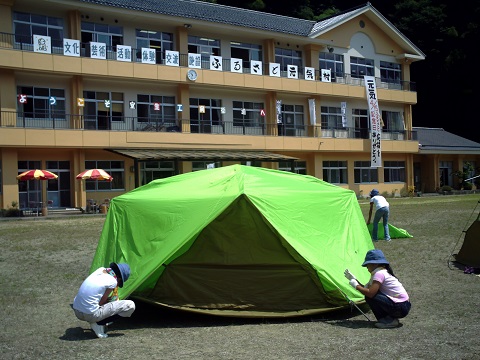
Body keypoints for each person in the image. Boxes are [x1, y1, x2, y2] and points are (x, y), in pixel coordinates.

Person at [344, 249, 411, 329]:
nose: (367, 268)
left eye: (367, 265)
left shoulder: (379, 274)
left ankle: (388, 321)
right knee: (370, 296)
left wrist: (356, 286)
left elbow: (370, 293)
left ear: (374, 264)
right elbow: (367, 289)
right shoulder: (381, 272)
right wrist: (355, 280)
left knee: (370, 297)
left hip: (400, 307)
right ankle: (389, 319)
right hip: (403, 306)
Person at [73, 262, 136, 338]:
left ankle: (96, 320)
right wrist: (110, 302)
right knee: (130, 305)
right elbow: (102, 302)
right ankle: (99, 323)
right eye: (119, 282)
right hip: (89, 314)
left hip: (77, 310)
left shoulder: (100, 270)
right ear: (119, 278)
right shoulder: (113, 281)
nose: (117, 285)